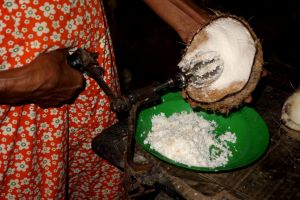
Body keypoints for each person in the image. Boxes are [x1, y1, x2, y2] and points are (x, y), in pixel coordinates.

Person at [0, 0, 253, 199]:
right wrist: (17, 83)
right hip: (18, 104)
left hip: (82, 61)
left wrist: (204, 28)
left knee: (91, 176)